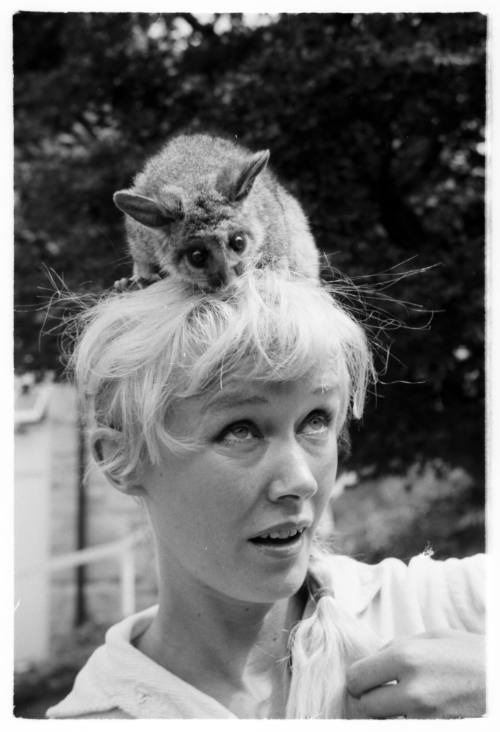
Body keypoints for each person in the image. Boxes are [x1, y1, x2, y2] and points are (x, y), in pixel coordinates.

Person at [46, 270, 485, 719]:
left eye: (315, 420)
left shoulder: (441, 609)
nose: (301, 481)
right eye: (241, 430)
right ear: (123, 460)